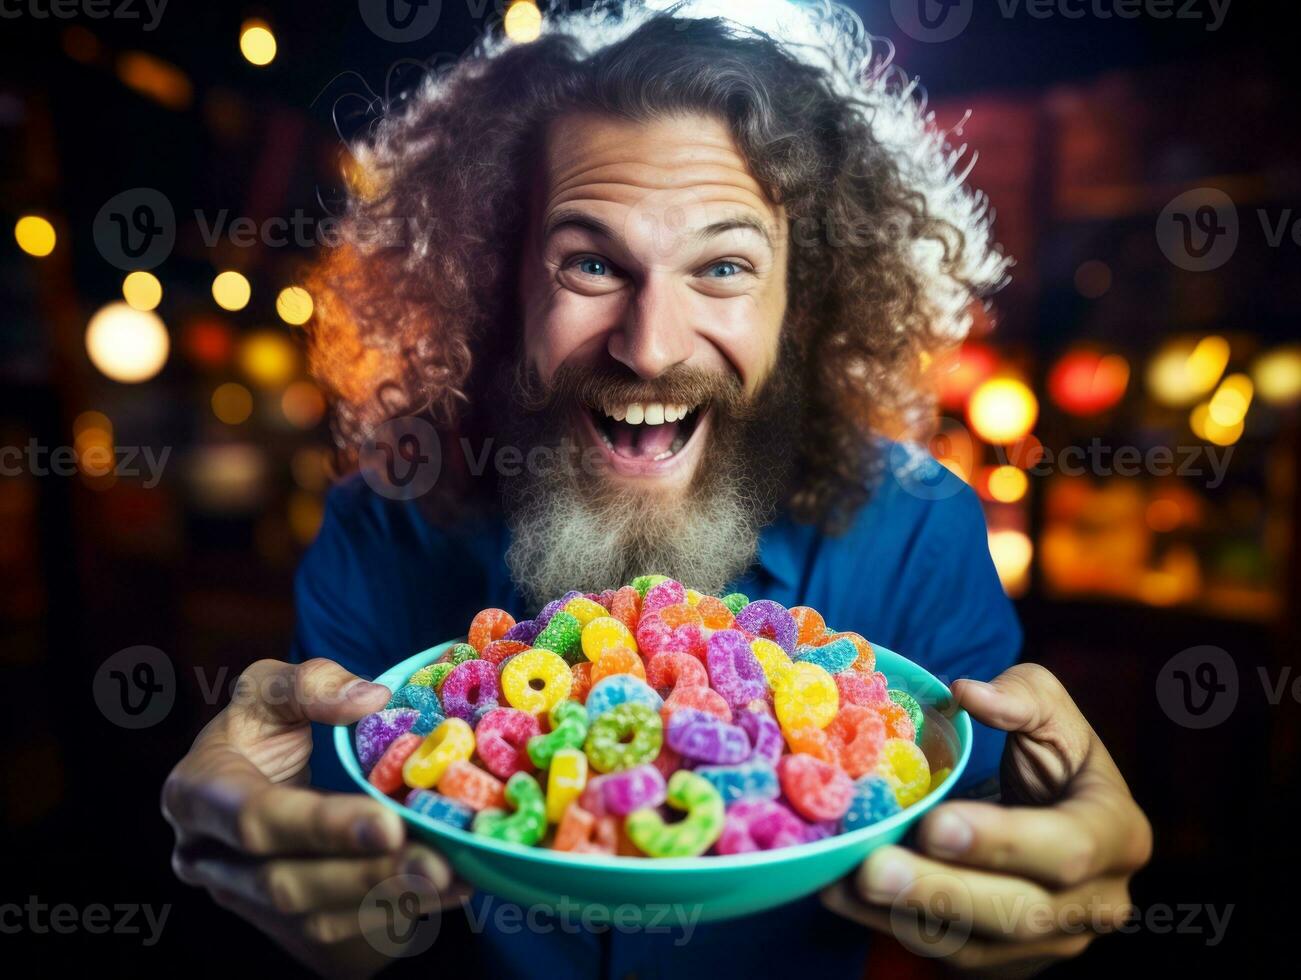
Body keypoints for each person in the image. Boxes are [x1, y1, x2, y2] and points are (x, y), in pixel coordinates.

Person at [163, 3, 1151, 976]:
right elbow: (341, 879)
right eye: (590, 261)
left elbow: (986, 864)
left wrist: (1043, 902)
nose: (648, 347)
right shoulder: (382, 525)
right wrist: (284, 889)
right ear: (498, 285)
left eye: (722, 265)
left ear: (799, 304)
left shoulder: (916, 528)